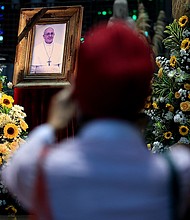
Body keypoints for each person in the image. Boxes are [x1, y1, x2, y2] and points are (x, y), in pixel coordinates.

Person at [2, 21, 190, 220]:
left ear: (77, 92)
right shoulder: (177, 175)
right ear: (146, 94)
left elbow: (15, 170)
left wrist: (52, 126)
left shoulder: (45, 171)